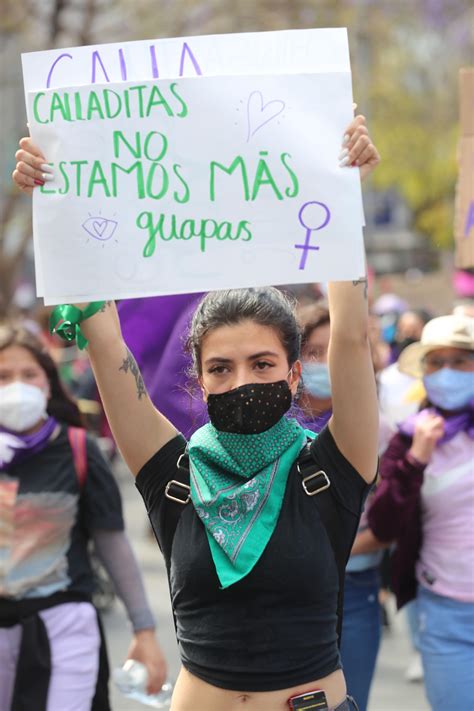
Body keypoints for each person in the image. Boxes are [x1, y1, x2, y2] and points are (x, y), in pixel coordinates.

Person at [13, 113, 380, 711]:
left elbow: (352, 336)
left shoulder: (333, 468)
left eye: (262, 364)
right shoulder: (173, 477)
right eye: (221, 369)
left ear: (293, 372)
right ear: (200, 382)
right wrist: (55, 199)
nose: (242, 381)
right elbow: (107, 345)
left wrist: (342, 190)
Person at [0, 323, 167, 711]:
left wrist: (144, 629)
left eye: (29, 375)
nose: (17, 386)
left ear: (48, 382)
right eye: (4, 376)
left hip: (64, 625)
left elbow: (112, 542)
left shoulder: (78, 448)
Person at [367, 314, 474, 711]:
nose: (447, 372)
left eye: (460, 361)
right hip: (444, 612)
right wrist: (415, 461)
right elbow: (383, 524)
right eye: (436, 362)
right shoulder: (409, 437)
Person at [297, 302, 387, 711]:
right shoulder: (271, 428)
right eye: (313, 351)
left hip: (355, 593)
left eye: (333, 349)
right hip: (288, 595)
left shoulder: (376, 431)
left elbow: (390, 522)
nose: (324, 362)